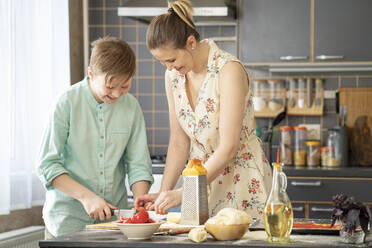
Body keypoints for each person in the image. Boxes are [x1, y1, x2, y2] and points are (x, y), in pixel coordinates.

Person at [134, 0, 272, 219]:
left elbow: (228, 147)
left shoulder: (228, 71)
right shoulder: (173, 76)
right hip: (199, 189)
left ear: (191, 43)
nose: (169, 68)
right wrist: (163, 194)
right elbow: (179, 142)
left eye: (171, 59)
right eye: (162, 62)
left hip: (242, 184)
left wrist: (185, 191)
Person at [36, 36, 153, 238]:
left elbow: (138, 164)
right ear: (91, 74)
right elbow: (47, 165)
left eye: (125, 86)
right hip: (67, 223)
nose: (117, 94)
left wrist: (141, 202)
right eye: (109, 87)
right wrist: (87, 197)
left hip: (114, 225)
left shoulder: (131, 107)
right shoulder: (66, 103)